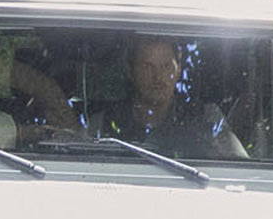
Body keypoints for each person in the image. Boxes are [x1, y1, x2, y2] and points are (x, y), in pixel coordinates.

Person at [101, 35, 246, 160]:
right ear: (130, 71)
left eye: (166, 67)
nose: (157, 77)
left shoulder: (206, 118)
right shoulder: (104, 123)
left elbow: (241, 171)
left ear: (178, 69)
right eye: (147, 67)